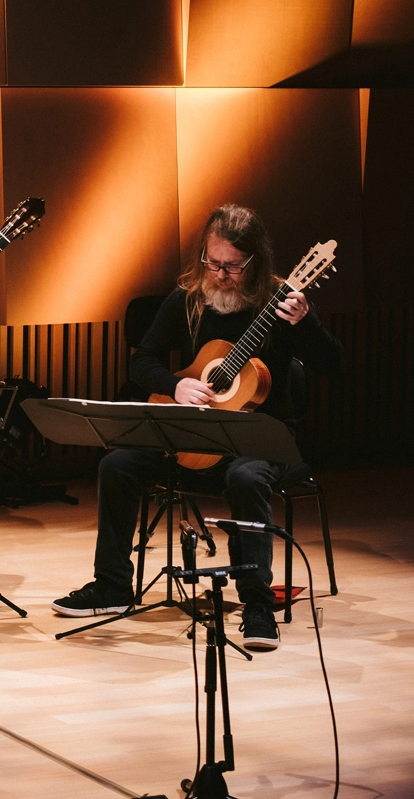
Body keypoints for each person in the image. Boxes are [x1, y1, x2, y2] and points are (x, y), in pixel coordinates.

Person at [51, 204, 343, 651]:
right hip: (190, 435)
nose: (220, 274)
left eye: (232, 266)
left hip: (259, 441)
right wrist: (178, 384)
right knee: (118, 464)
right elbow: (142, 360)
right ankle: (111, 587)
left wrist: (308, 324)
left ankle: (258, 605)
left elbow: (332, 365)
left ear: (255, 262)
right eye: (212, 261)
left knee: (245, 477)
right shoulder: (187, 299)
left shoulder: (281, 306)